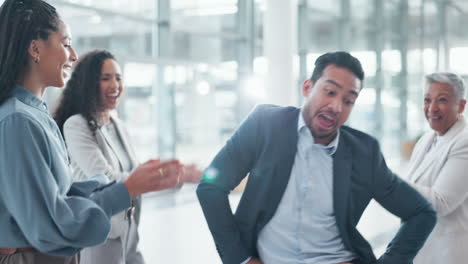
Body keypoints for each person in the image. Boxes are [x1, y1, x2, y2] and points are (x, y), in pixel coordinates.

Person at [197, 51, 436, 264]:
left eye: (348, 100)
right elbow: (210, 187)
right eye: (329, 92)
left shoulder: (364, 153)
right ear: (308, 88)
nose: (336, 106)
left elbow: (421, 213)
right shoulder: (265, 124)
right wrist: (242, 259)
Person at [0, 0, 182, 263]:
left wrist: (120, 185)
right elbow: (50, 222)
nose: (73, 56)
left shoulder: (37, 114)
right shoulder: (18, 120)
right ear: (35, 48)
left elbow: (54, 194)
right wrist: (126, 188)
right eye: (65, 43)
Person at [53, 49, 202, 264]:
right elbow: (105, 177)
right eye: (106, 78)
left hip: (129, 231)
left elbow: (133, 173)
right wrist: (160, 174)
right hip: (100, 236)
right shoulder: (76, 124)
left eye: (118, 78)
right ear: (88, 83)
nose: (115, 85)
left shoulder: (118, 124)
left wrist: (175, 176)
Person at [404, 72, 468, 264]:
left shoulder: (465, 141)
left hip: (448, 255)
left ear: (461, 105)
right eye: (427, 99)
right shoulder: (426, 139)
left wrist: (390, 182)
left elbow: (442, 202)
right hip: (421, 251)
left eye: (442, 100)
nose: (432, 108)